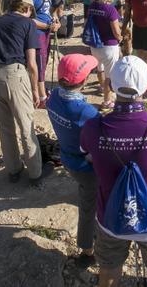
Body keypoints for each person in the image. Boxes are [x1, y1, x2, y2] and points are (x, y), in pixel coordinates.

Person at [80, 56, 147, 287]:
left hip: (111, 219)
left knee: (109, 274)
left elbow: (86, 152)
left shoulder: (94, 128)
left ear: (111, 86)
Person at [0, 0, 46, 187]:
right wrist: (35, 90)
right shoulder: (28, 24)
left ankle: (13, 170)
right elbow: (32, 63)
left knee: (5, 127)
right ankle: (35, 174)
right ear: (26, 9)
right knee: (26, 126)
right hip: (14, 75)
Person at [46, 54, 101, 268]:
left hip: (67, 156)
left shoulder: (54, 99)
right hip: (85, 166)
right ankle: (87, 251)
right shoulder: (86, 112)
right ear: (84, 80)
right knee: (88, 208)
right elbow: (99, 142)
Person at [23, 0, 61, 106]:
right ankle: (42, 98)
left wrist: (55, 20)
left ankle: (42, 91)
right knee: (38, 64)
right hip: (37, 34)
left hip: (46, 32)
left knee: (43, 63)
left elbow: (48, 10)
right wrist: (47, 26)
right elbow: (27, 18)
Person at [86, 0, 123, 109]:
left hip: (95, 45)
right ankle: (107, 101)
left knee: (100, 68)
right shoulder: (110, 9)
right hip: (109, 45)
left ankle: (102, 88)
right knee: (109, 75)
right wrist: (121, 38)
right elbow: (116, 31)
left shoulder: (92, 7)